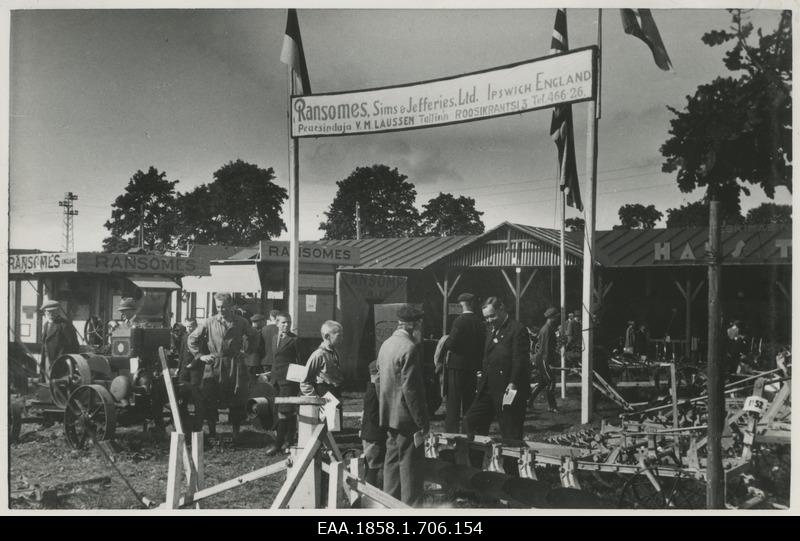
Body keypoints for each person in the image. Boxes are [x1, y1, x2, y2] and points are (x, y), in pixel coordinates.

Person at [187, 292, 258, 441]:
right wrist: (201, 356)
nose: (221, 310)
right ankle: (212, 433)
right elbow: (192, 338)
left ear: (231, 306)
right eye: (218, 307)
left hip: (234, 366)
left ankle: (236, 433)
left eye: (224, 307)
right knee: (211, 398)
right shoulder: (209, 322)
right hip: (215, 365)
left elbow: (254, 335)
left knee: (237, 398)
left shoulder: (241, 322)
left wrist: (247, 352)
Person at [378, 304, 429, 506]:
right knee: (411, 468)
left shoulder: (386, 344)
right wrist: (422, 421)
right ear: (414, 325)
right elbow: (412, 390)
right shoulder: (409, 348)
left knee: (391, 464)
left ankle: (388, 505)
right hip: (407, 419)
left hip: (388, 415)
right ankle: (410, 508)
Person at [463, 297, 530, 442]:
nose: (489, 320)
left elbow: (520, 361)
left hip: (507, 389)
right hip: (487, 389)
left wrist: (513, 384)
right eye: (486, 317)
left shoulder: (517, 329)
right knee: (471, 420)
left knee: (510, 434)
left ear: (502, 309)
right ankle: (475, 463)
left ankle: (510, 464)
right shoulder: (490, 329)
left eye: (492, 316)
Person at [442, 292, 485, 433]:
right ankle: (469, 431)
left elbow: (451, 344)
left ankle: (451, 431)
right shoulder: (479, 322)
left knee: (453, 401)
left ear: (462, 305)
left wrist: (445, 340)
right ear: (472, 304)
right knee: (469, 400)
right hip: (472, 366)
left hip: (456, 366)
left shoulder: (459, 321)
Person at [266, 312, 301, 456]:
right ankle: (289, 442)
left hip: (289, 381)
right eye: (283, 322)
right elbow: (275, 359)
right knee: (287, 412)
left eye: (289, 322)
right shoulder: (274, 338)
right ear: (277, 324)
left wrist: (299, 382)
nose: (287, 325)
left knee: (284, 413)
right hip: (276, 380)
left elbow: (300, 361)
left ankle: (278, 444)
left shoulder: (295, 340)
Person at [301, 320, 345, 400]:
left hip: (335, 395)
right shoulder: (319, 355)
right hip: (323, 397)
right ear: (327, 336)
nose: (342, 339)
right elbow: (304, 382)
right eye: (339, 336)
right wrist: (315, 399)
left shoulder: (334, 353)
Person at [177, 318, 207, 433]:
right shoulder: (185, 337)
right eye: (188, 326)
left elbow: (201, 353)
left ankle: (197, 424)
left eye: (191, 326)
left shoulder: (201, 338)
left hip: (196, 370)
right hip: (184, 370)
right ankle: (184, 421)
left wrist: (193, 364)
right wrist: (179, 369)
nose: (189, 328)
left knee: (195, 395)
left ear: (196, 326)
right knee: (181, 395)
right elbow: (181, 354)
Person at [39, 299, 79, 381]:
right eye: (48, 312)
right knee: (48, 381)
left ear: (58, 311)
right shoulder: (46, 325)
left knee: (58, 383)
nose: (51, 314)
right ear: (45, 313)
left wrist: (67, 360)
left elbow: (73, 345)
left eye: (53, 311)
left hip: (60, 361)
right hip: (47, 359)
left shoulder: (64, 325)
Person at [360, 360, 386, 489]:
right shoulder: (372, 391)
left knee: (373, 464)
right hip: (373, 434)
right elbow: (372, 415)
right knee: (373, 466)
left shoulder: (371, 389)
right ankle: (370, 493)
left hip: (371, 433)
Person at [530, 307, 560, 413]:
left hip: (542, 358)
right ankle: (552, 406)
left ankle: (529, 401)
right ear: (551, 317)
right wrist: (548, 363)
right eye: (556, 317)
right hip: (543, 359)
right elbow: (546, 348)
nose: (557, 318)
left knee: (543, 382)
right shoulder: (547, 329)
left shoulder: (547, 328)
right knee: (551, 381)